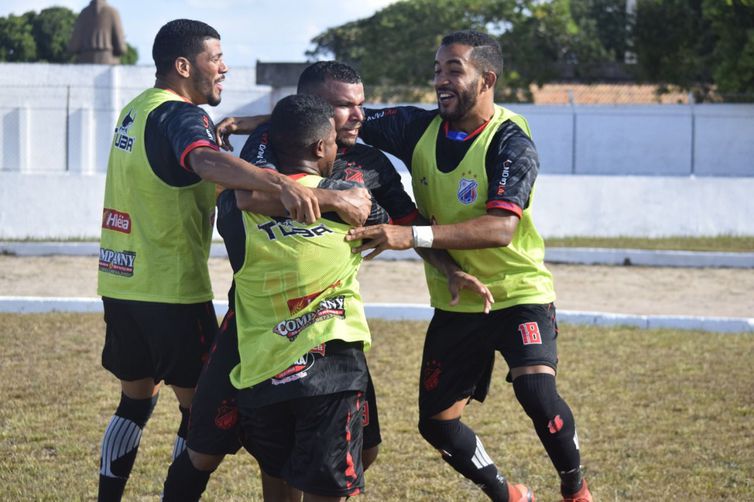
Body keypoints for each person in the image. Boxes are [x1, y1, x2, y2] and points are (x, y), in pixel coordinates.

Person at [162, 60, 491, 501]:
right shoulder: (268, 144)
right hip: (255, 322)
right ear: (311, 111)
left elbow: (407, 223)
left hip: (329, 325)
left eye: (361, 104)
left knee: (365, 449)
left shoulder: (372, 164)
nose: (359, 116)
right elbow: (248, 197)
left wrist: (451, 269)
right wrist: (336, 199)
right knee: (205, 449)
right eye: (344, 106)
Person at [95, 18, 348, 501]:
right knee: (201, 419)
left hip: (120, 284)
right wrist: (275, 182)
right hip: (171, 292)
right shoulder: (184, 115)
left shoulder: (136, 109)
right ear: (184, 65)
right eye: (216, 58)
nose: (224, 67)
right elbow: (202, 160)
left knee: (134, 403)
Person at [346, 31, 593, 502]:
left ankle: (574, 487)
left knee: (537, 395)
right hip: (457, 298)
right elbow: (341, 117)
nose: (441, 79)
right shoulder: (416, 127)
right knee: (436, 424)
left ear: (487, 79)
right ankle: (508, 494)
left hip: (518, 292)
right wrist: (254, 124)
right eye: (438, 69)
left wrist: (411, 234)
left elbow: (500, 228)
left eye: (453, 70)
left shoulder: (511, 141)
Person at [235, 93, 379, 501]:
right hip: (331, 369)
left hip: (263, 371)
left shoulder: (241, 201)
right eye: (334, 140)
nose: (338, 147)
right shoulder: (352, 199)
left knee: (278, 480)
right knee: (329, 487)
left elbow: (243, 195)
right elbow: (399, 226)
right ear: (320, 148)